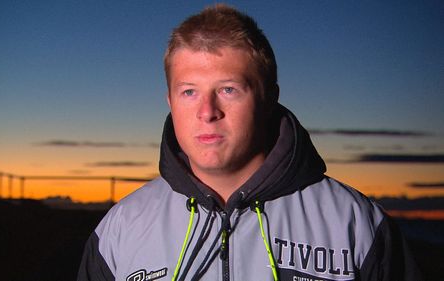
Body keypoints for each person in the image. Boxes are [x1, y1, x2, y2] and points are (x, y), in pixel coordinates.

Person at [78, 4, 421, 281]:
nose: (208, 112)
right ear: (169, 100)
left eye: (229, 89)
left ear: (269, 97)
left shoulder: (357, 224)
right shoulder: (120, 230)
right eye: (189, 92)